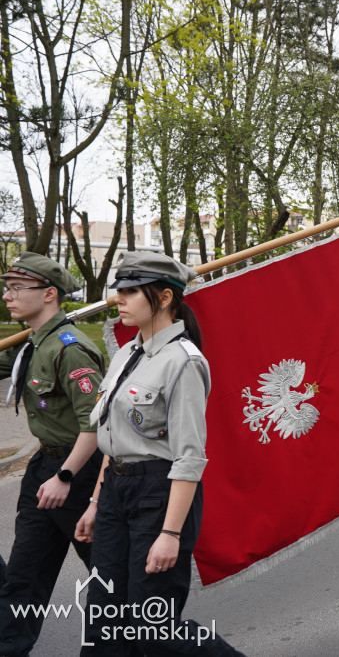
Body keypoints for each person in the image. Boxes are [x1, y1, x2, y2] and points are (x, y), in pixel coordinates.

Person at [74, 252, 243, 655]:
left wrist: (169, 534)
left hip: (158, 494)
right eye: (119, 291)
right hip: (115, 489)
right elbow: (110, 436)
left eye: (131, 291)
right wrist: (97, 502)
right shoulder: (124, 355)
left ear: (164, 297)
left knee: (153, 626)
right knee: (104, 616)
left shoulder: (183, 362)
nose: (119, 299)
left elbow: (189, 456)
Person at [0, 253, 105, 657]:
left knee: (108, 574)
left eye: (15, 288)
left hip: (76, 471)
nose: (7, 296)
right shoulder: (32, 343)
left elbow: (96, 424)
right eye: (6, 287)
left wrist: (64, 476)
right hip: (44, 466)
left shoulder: (70, 349)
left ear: (48, 294)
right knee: (25, 574)